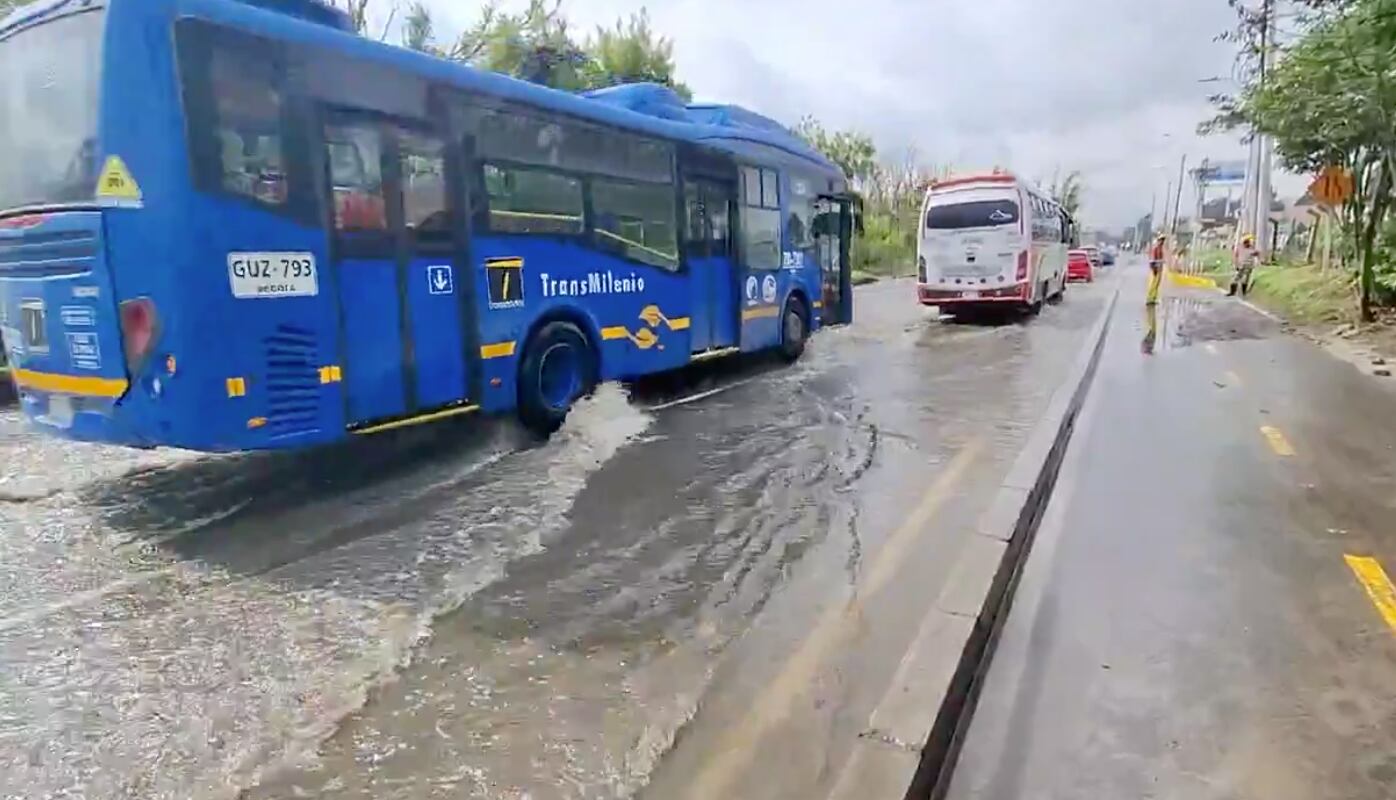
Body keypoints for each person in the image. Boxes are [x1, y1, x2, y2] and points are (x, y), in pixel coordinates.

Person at [1147, 233, 1166, 305]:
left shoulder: (1160, 248)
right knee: (1153, 284)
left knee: (1157, 284)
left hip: (1159, 269)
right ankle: (1149, 298)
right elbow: (1152, 260)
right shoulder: (1156, 248)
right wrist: (1153, 269)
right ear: (1158, 240)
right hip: (1155, 269)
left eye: (1163, 240)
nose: (1162, 241)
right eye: (1161, 240)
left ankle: (1153, 298)